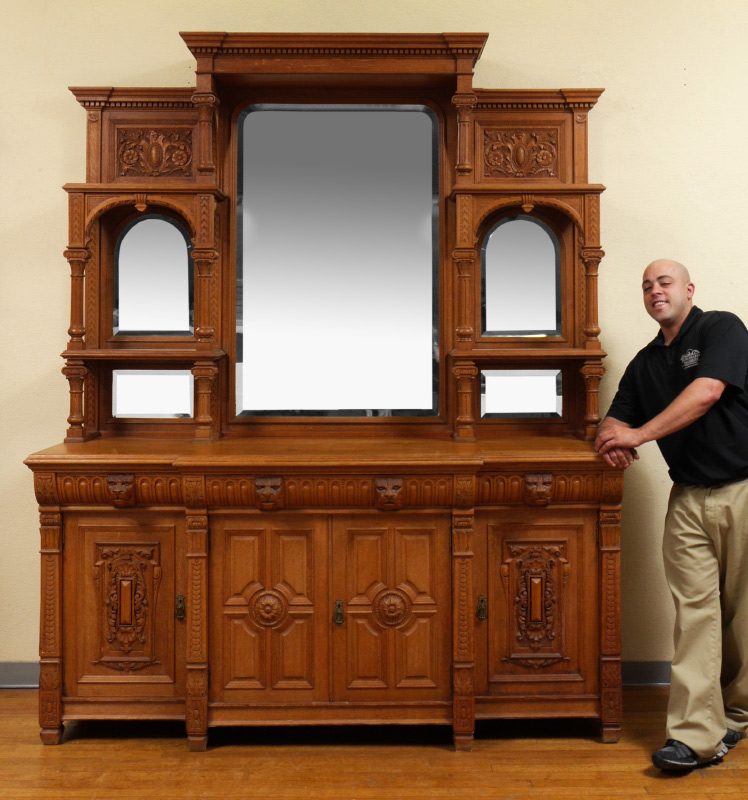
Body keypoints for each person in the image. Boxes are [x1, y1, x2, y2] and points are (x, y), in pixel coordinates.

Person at [595, 259, 748, 771]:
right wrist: (612, 439)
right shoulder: (644, 363)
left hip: (742, 488)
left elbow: (707, 392)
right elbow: (614, 420)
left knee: (743, 618)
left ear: (688, 289)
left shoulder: (722, 327)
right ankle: (695, 738)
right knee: (695, 619)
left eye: (664, 282)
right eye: (646, 286)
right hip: (686, 499)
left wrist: (636, 437)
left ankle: (738, 715)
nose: (655, 291)